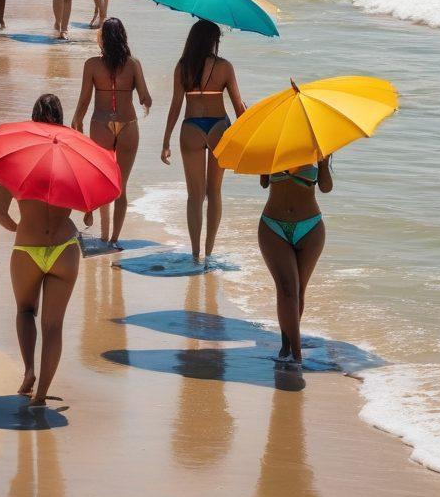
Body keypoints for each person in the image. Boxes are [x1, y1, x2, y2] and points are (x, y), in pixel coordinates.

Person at [0, 94, 81, 407]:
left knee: (25, 311)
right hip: (65, 248)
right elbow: (87, 206)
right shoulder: (74, 155)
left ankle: (29, 371)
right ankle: (41, 394)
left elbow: (0, 213)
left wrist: (23, 229)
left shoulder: (17, 157)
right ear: (61, 120)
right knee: (53, 326)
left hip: (27, 248)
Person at [161, 20, 245, 262]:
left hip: (191, 128)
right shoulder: (225, 67)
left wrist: (166, 141)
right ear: (213, 41)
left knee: (194, 195)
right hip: (219, 126)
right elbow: (238, 106)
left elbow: (176, 105)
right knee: (214, 191)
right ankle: (210, 251)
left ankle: (195, 253)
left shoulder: (183, 67)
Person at [72, 18, 151, 247]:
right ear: (123, 37)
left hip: (101, 125)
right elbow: (145, 98)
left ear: (103, 39)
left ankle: (97, 221)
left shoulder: (92, 65)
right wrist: (146, 101)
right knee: (121, 187)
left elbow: (84, 101)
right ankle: (114, 238)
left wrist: (77, 122)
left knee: (99, 179)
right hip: (127, 126)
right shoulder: (133, 64)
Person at [258, 157, 333, 372]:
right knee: (288, 289)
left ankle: (286, 346)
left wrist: (323, 163)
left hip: (310, 228)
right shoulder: (273, 143)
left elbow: (326, 187)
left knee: (297, 291)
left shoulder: (317, 144)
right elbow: (264, 182)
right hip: (273, 226)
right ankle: (297, 357)